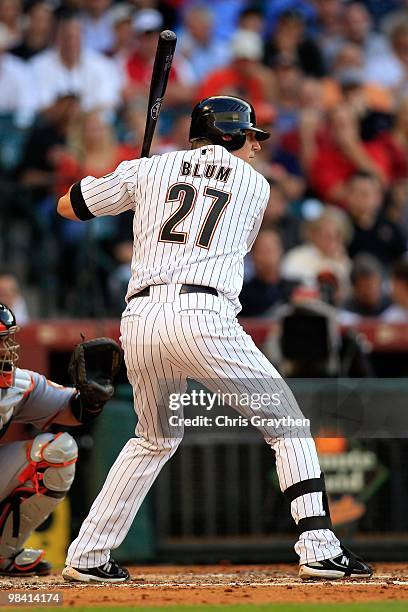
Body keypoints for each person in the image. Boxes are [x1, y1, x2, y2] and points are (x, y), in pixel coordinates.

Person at [57, 95, 372, 583]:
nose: (254, 148)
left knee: (153, 437)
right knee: (287, 425)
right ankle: (318, 546)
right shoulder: (255, 186)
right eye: (249, 137)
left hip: (139, 318)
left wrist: (130, 180)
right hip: (203, 313)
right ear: (230, 134)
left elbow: (68, 207)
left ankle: (88, 554)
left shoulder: (150, 168)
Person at [0, 303, 119, 576]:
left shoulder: (17, 383)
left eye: (7, 340)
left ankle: (3, 554)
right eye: (0, 342)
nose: (7, 349)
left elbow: (73, 409)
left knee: (59, 451)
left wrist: (92, 397)